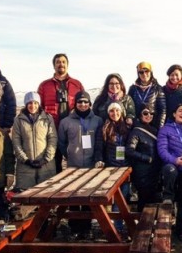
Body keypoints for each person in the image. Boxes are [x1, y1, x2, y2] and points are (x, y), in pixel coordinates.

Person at [58, 91, 103, 237]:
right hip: (73, 166)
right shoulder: (66, 121)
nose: (83, 105)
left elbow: (99, 142)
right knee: (73, 197)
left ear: (90, 104)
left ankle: (87, 228)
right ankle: (74, 228)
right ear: (75, 104)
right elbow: (61, 142)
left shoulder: (97, 120)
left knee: (88, 197)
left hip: (91, 165)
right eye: (80, 102)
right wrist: (69, 153)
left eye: (85, 102)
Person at [12, 92, 57, 218]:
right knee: (26, 198)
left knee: (46, 199)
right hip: (25, 167)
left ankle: (46, 229)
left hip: (46, 166)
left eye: (35, 103)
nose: (33, 105)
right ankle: (27, 231)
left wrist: (46, 158)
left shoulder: (47, 118)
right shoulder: (19, 120)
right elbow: (16, 141)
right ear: (26, 104)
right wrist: (25, 160)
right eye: (30, 103)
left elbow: (52, 138)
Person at [38, 53, 84, 173]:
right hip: (52, 128)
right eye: (58, 62)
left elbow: (84, 104)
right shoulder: (44, 85)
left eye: (63, 62)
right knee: (54, 161)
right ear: (54, 65)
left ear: (67, 65)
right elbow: (39, 107)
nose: (61, 64)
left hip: (72, 127)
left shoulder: (77, 84)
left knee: (74, 159)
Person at [157, 104, 182, 242]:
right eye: (180, 111)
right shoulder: (165, 129)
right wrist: (174, 160)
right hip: (172, 167)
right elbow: (162, 150)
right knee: (170, 172)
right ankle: (167, 195)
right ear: (174, 113)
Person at [94, 102, 131, 233]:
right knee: (113, 200)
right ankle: (115, 228)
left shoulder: (127, 127)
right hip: (111, 168)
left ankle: (121, 227)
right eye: (111, 111)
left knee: (123, 200)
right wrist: (99, 160)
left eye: (117, 111)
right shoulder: (103, 128)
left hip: (125, 168)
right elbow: (99, 147)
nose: (114, 113)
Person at [126, 103, 162, 211]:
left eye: (151, 113)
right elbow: (129, 150)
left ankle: (151, 224)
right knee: (144, 198)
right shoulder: (136, 131)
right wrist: (146, 158)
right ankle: (142, 224)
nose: (149, 115)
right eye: (145, 113)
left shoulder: (154, 130)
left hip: (154, 170)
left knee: (153, 198)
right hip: (142, 171)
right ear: (140, 114)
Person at [128, 61, 166, 130]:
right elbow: (129, 108)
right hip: (136, 126)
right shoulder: (133, 89)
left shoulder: (157, 88)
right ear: (138, 74)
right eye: (141, 72)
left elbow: (162, 110)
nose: (144, 74)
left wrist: (160, 128)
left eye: (147, 71)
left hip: (152, 125)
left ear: (151, 72)